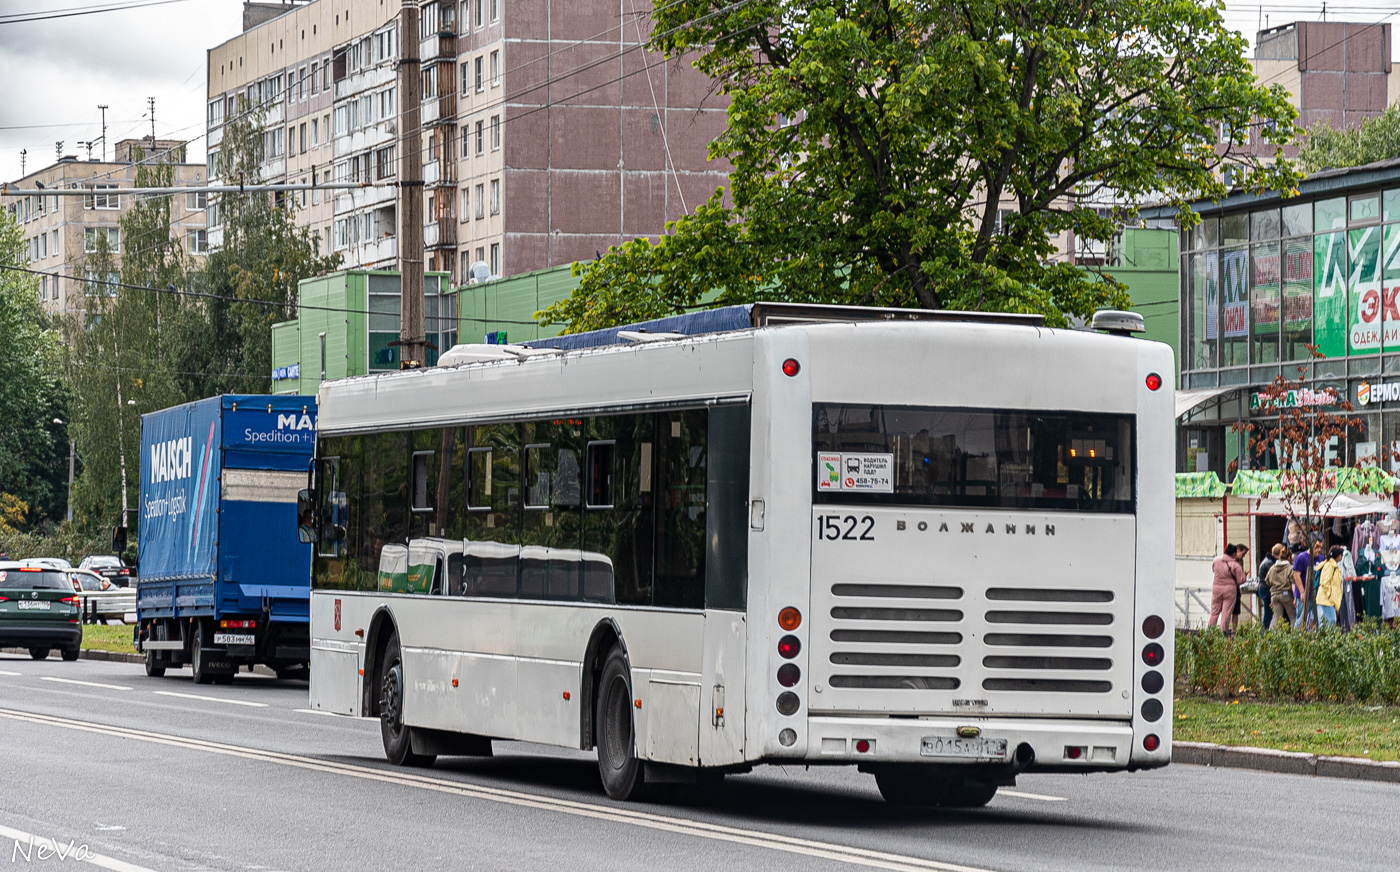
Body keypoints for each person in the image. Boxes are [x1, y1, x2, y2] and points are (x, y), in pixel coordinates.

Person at [1209, 543, 1245, 632]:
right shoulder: (1236, 565)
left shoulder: (1216, 560)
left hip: (1217, 588)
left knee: (1214, 612)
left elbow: (1214, 570)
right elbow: (1240, 581)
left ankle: (1209, 633)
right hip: (1230, 590)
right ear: (1233, 554)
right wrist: (1244, 576)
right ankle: (1223, 632)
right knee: (1226, 613)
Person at [1264, 543, 1296, 630]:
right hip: (1286, 594)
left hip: (1274, 595)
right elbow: (1293, 581)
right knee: (1293, 618)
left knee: (1278, 619)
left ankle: (1277, 639)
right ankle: (1295, 637)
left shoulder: (1272, 568)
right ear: (1289, 558)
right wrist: (1295, 597)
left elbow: (1267, 581)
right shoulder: (1290, 568)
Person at [1316, 545, 1345, 627]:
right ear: (1339, 556)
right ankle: (1324, 639)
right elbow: (1324, 582)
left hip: (1327, 600)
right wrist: (1330, 596)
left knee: (1328, 622)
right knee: (1330, 622)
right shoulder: (1329, 566)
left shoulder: (1333, 565)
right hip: (1326, 600)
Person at [1292, 542, 1317, 629]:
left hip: (1316, 595)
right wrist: (1302, 592)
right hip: (1303, 594)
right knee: (1302, 618)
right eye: (1316, 547)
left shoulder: (1320, 558)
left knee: (1314, 619)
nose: (1319, 549)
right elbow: (1296, 576)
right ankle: (1297, 638)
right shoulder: (1301, 558)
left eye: (1321, 547)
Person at [1229, 544, 1251, 631]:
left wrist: (1243, 575)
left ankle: (1234, 629)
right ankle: (1226, 629)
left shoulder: (1241, 561)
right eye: (1243, 553)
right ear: (1238, 551)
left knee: (1236, 611)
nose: (1243, 556)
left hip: (1237, 587)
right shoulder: (1231, 561)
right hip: (1230, 587)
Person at [1256, 543, 1277, 629]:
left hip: (1262, 588)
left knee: (1268, 611)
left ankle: (1265, 628)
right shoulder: (1269, 563)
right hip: (1266, 589)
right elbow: (1272, 578)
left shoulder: (1266, 560)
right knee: (1268, 612)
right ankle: (1264, 630)